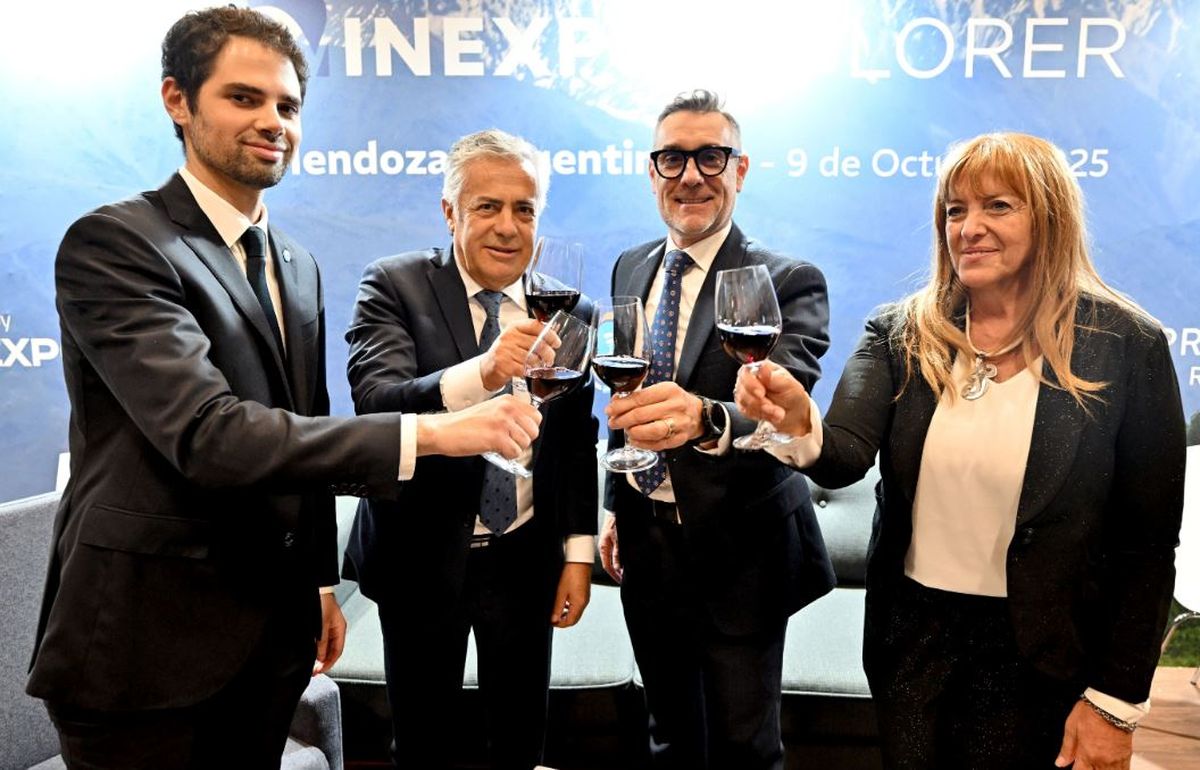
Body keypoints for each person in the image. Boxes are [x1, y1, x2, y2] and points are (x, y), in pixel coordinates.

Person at [26, 9, 539, 769]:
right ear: (178, 99)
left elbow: (301, 429)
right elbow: (212, 436)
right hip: (145, 647)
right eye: (244, 98)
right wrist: (436, 430)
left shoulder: (293, 262)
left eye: (288, 106)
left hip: (268, 643)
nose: (272, 121)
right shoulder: (117, 245)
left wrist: (319, 585)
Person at [734, 132, 1185, 770]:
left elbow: (1146, 544)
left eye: (997, 206)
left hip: (1048, 658)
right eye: (954, 210)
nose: (969, 227)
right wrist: (797, 420)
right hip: (915, 644)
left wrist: (1114, 701)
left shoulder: (1125, 344)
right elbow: (842, 452)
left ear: (1050, 216)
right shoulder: (899, 332)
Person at [341, 128, 598, 770]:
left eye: (525, 209)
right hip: (418, 554)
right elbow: (377, 402)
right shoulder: (395, 284)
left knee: (520, 740)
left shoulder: (572, 311)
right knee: (423, 744)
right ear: (450, 211)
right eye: (487, 207)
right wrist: (482, 373)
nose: (508, 227)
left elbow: (571, 446)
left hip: (526, 556)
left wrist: (578, 553)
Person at [600, 90, 835, 770]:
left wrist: (708, 419)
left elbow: (781, 406)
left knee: (744, 748)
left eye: (711, 156)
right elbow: (626, 400)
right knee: (670, 735)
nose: (691, 175)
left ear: (740, 169)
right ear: (652, 172)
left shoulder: (786, 280)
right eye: (672, 158)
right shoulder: (630, 267)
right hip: (648, 545)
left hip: (743, 551)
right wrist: (621, 504)